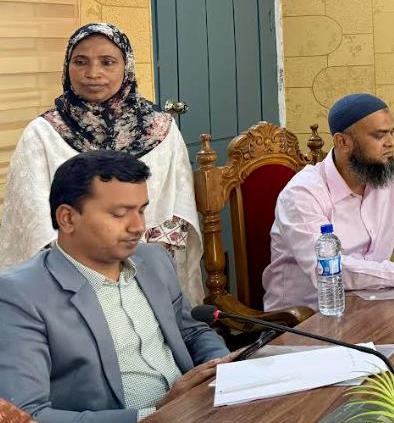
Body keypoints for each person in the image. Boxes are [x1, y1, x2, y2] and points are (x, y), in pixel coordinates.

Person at [0, 150, 230, 422]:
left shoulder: (154, 260)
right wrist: (156, 414)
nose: (138, 226)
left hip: (201, 409)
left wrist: (224, 371)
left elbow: (191, 332)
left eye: (141, 210)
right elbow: (28, 415)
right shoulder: (19, 295)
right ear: (68, 218)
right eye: (120, 214)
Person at [0, 22, 204, 305]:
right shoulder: (43, 133)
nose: (92, 73)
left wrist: (142, 259)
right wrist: (87, 265)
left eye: (107, 62)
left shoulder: (160, 130)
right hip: (71, 282)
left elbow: (180, 206)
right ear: (67, 66)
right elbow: (32, 218)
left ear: (126, 66)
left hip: (151, 271)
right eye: (80, 62)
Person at [262, 93, 394, 312]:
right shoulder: (302, 193)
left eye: (392, 132)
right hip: (307, 318)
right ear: (342, 142)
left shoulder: (389, 178)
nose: (391, 143)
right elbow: (330, 269)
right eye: (380, 135)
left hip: (370, 306)